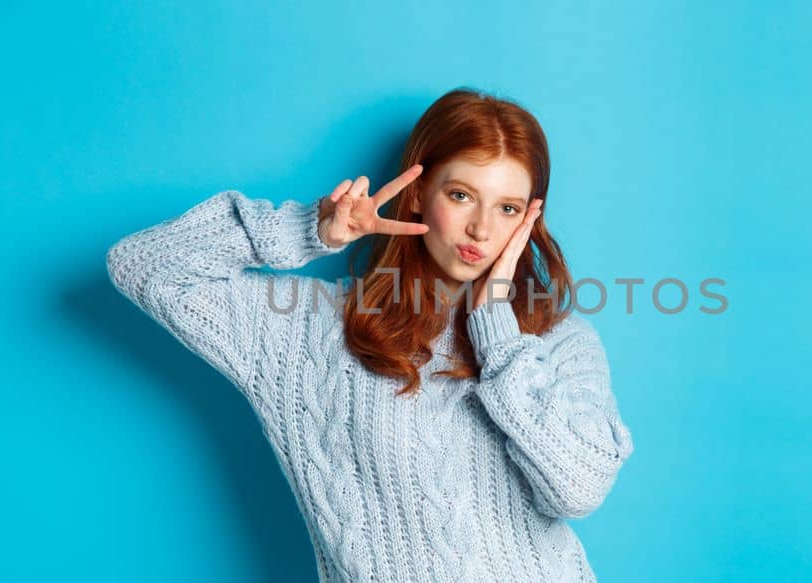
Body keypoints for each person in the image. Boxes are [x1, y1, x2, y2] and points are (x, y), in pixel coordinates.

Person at [105, 87, 634, 582]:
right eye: (461, 195)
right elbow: (145, 266)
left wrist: (496, 328)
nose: (481, 230)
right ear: (419, 193)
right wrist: (310, 229)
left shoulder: (558, 342)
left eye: (507, 208)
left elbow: (579, 489)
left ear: (528, 219)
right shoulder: (308, 329)